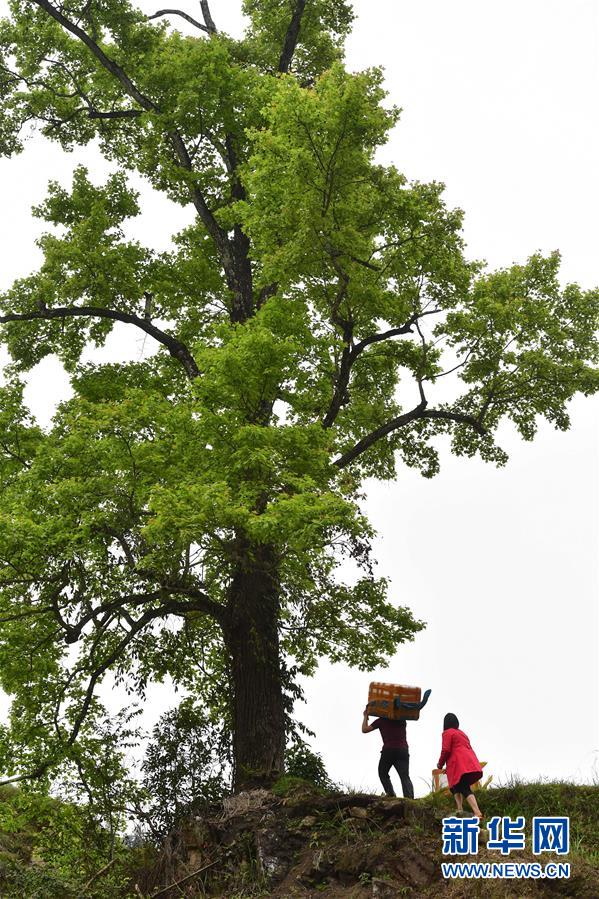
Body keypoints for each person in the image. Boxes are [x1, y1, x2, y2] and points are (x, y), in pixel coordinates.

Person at [437, 713, 483, 818]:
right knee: (454, 786)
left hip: (459, 763)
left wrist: (440, 764)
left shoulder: (447, 733)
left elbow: (446, 750)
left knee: (463, 786)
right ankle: (459, 809)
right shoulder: (462, 733)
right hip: (468, 761)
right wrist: (448, 768)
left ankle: (477, 812)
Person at [362, 706, 414, 798]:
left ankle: (390, 794)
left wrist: (366, 716)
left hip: (388, 751)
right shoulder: (402, 719)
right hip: (403, 751)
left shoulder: (381, 720)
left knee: (382, 773)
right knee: (404, 776)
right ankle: (409, 798)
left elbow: (364, 729)